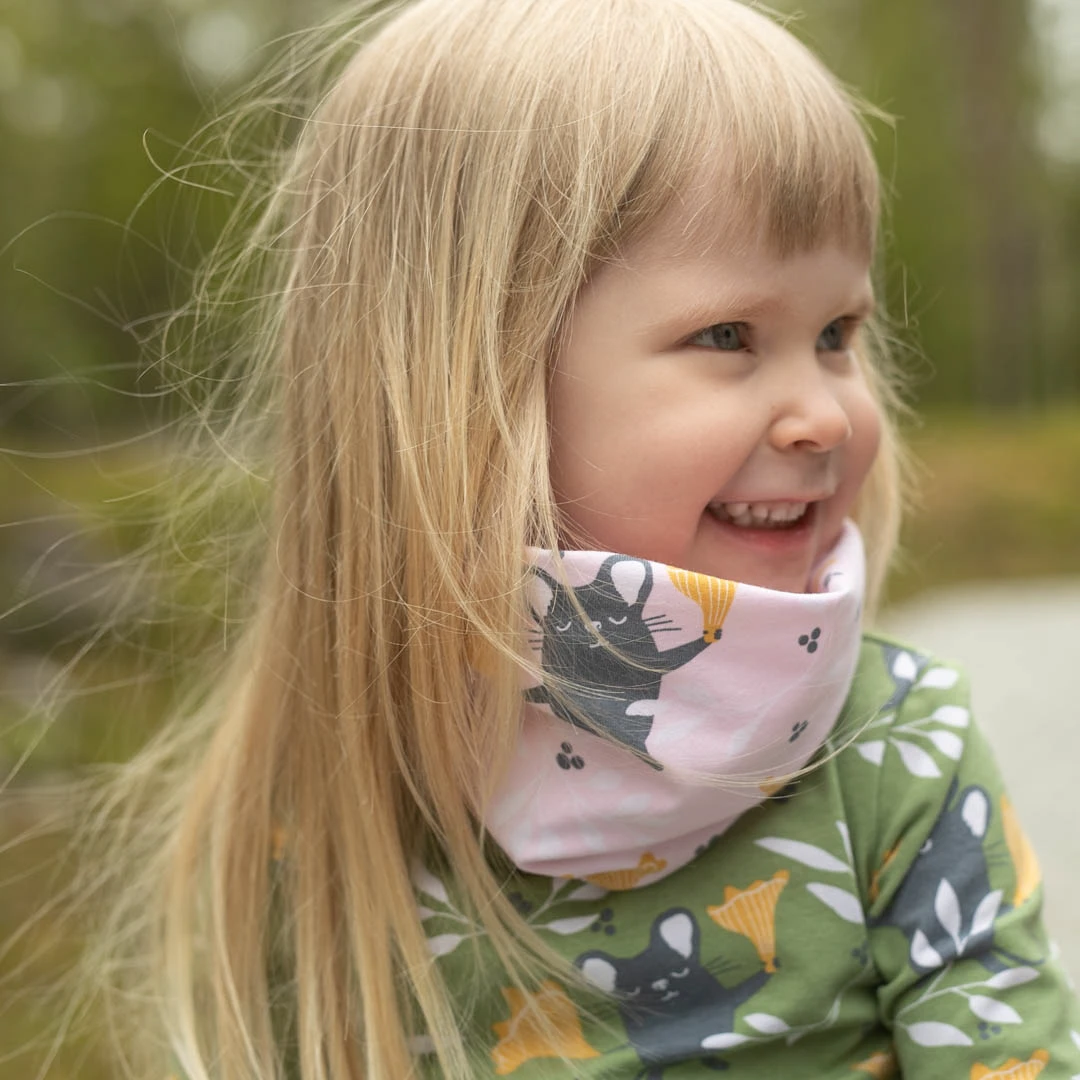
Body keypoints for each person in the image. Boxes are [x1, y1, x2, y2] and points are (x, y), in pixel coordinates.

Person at [96, 0, 1080, 1077]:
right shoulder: (339, 807)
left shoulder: (890, 748)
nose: (825, 416)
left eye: (837, 333)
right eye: (728, 334)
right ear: (473, 385)